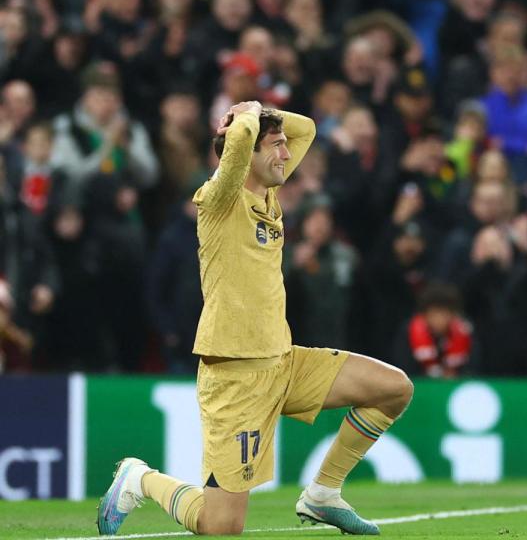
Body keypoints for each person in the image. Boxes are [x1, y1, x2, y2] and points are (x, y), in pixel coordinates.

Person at [97, 101, 413, 536]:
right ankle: (140, 478)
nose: (286, 154)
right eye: (275, 146)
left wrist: (260, 109)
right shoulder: (219, 199)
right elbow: (243, 144)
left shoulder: (267, 195)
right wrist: (243, 119)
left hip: (282, 362)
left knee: (393, 388)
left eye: (283, 146)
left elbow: (307, 129)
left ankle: (323, 495)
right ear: (245, 153)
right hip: (236, 376)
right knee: (220, 526)